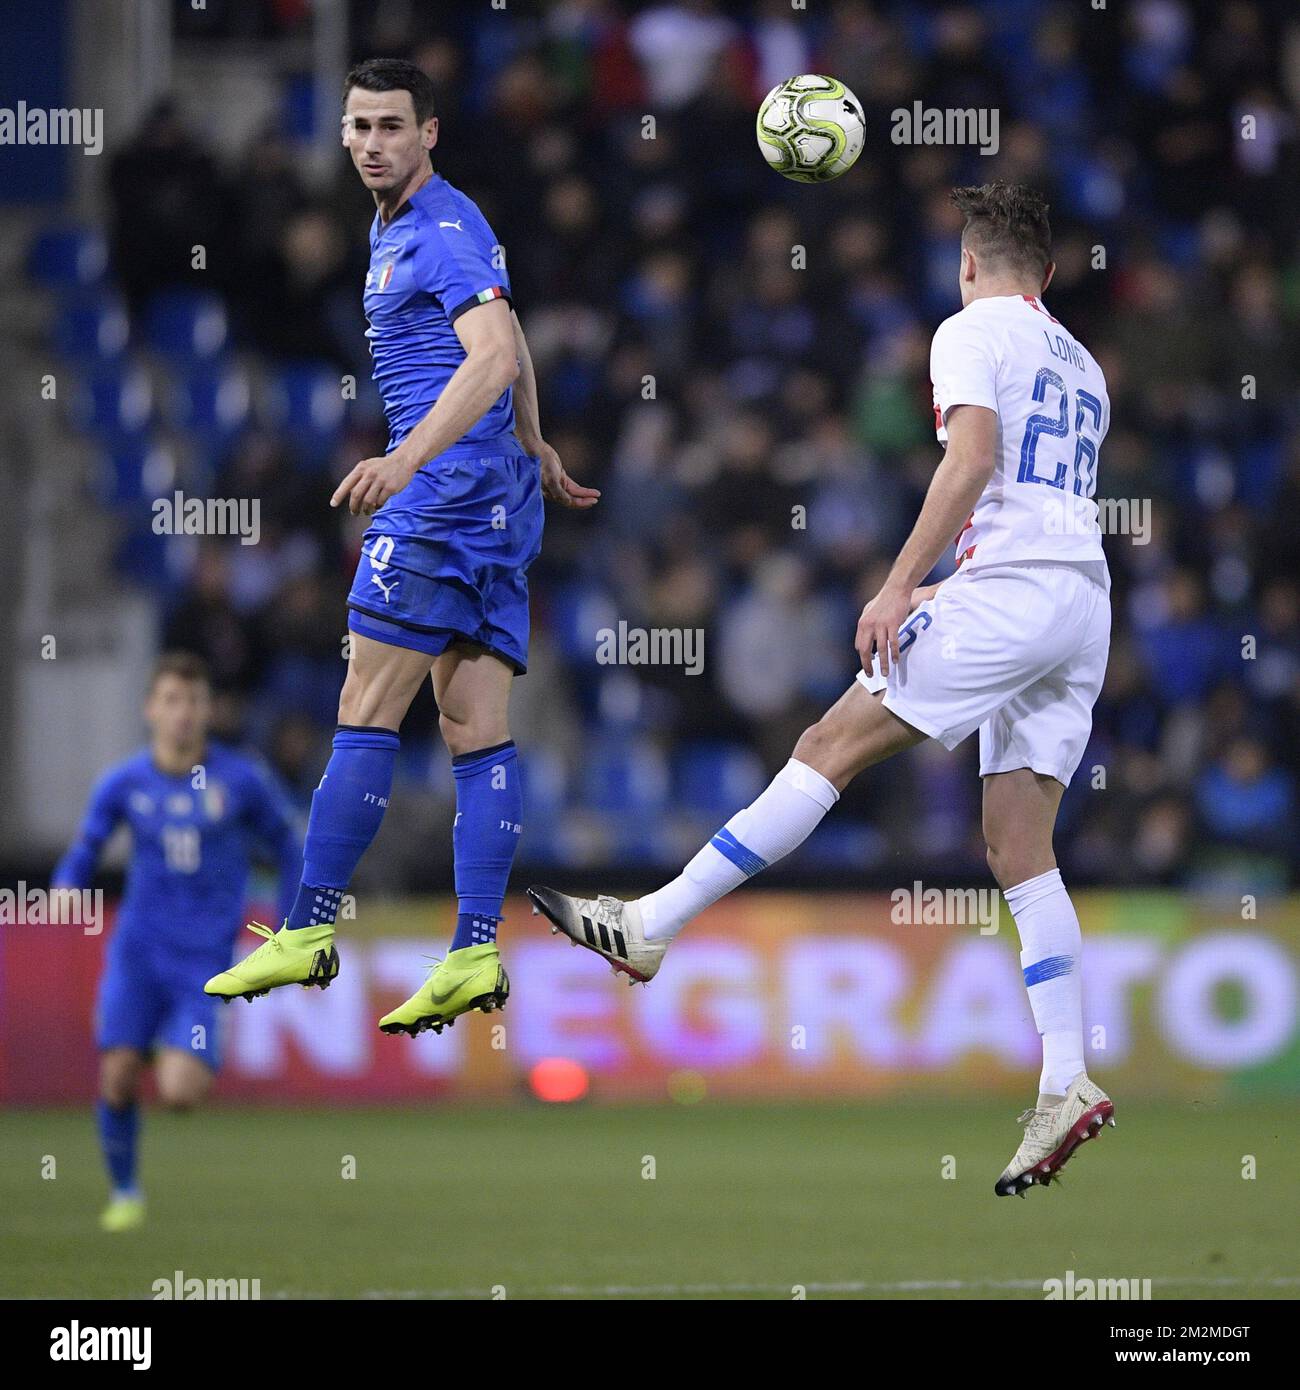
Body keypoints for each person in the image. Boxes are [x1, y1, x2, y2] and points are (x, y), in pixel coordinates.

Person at [530, 182, 1116, 1198]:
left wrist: (896, 583)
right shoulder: (1083, 364)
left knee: (826, 742)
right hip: (1080, 603)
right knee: (1020, 846)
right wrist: (957, 580)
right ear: (1051, 274)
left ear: (968, 263)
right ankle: (1064, 1076)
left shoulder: (966, 328)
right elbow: (1035, 499)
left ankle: (653, 923)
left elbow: (972, 460)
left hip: (1017, 594)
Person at [205, 58, 598, 1037]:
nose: (371, 142)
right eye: (357, 126)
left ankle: (306, 925)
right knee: (474, 730)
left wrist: (404, 456)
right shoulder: (438, 226)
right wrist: (534, 439)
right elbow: (512, 335)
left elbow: (494, 353)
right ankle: (472, 949)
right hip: (498, 496)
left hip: (443, 492)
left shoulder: (434, 227)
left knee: (363, 703)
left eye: (390, 126)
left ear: (429, 133)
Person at [52, 652, 300, 1230]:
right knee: (115, 1075)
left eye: (192, 701)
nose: (182, 714)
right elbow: (86, 845)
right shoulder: (123, 782)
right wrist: (67, 885)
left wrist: (295, 921)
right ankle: (125, 1194)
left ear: (208, 709)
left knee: (182, 1092)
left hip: (205, 962)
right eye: (170, 701)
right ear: (150, 710)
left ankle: (163, 1046)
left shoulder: (241, 780)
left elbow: (290, 845)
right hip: (138, 952)